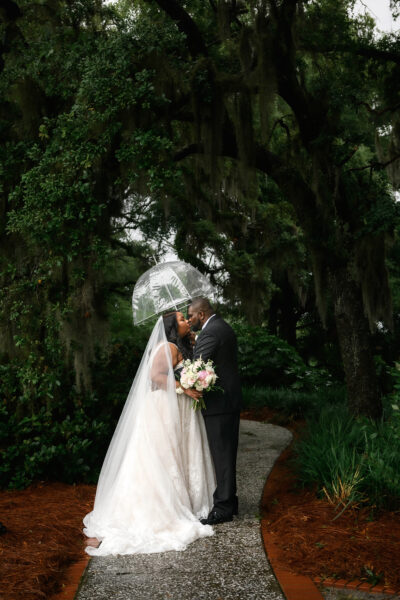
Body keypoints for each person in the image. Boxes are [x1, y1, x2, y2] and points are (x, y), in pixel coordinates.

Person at [83, 311, 216, 556]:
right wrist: (184, 388)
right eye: (182, 320)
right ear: (173, 327)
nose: (187, 321)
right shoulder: (166, 347)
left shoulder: (177, 346)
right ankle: (162, 508)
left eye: (186, 318)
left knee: (175, 452)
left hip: (174, 406)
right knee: (163, 455)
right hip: (163, 408)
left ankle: (185, 500)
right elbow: (154, 377)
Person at [187, 297, 242, 525]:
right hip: (228, 402)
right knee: (226, 453)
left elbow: (197, 365)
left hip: (219, 404)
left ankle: (223, 508)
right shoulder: (222, 326)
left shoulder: (211, 332)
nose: (189, 320)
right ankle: (230, 500)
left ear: (201, 314)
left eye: (190, 316)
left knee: (222, 455)